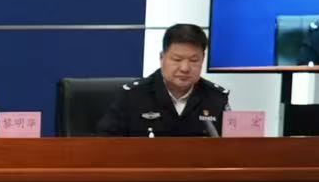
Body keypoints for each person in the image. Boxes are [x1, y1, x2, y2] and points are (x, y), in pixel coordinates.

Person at [95, 23, 229, 137]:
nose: (185, 68)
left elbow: (232, 148)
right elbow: (105, 144)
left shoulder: (216, 99)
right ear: (162, 57)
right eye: (177, 59)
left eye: (194, 60)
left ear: (202, 59)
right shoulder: (133, 96)